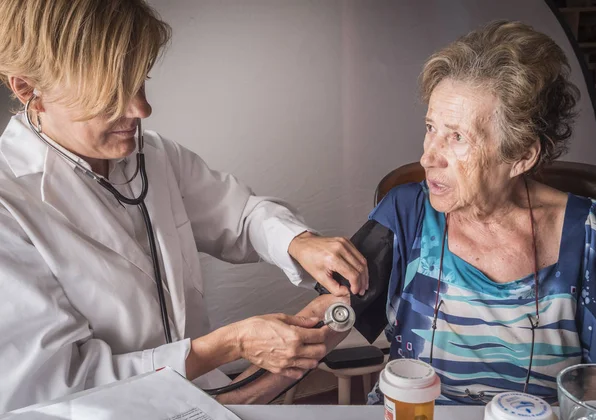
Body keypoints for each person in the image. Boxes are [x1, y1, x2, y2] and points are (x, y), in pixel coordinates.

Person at [0, 0, 364, 412]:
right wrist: (229, 345)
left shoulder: (152, 157)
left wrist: (299, 242)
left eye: (141, 82)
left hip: (199, 400)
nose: (142, 109)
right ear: (29, 90)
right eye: (109, 94)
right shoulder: (9, 206)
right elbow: (55, 384)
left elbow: (241, 215)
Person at [365, 21, 596, 405]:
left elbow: (593, 395)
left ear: (522, 156)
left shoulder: (590, 237)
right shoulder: (406, 212)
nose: (428, 157)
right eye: (430, 127)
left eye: (457, 137)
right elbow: (315, 330)